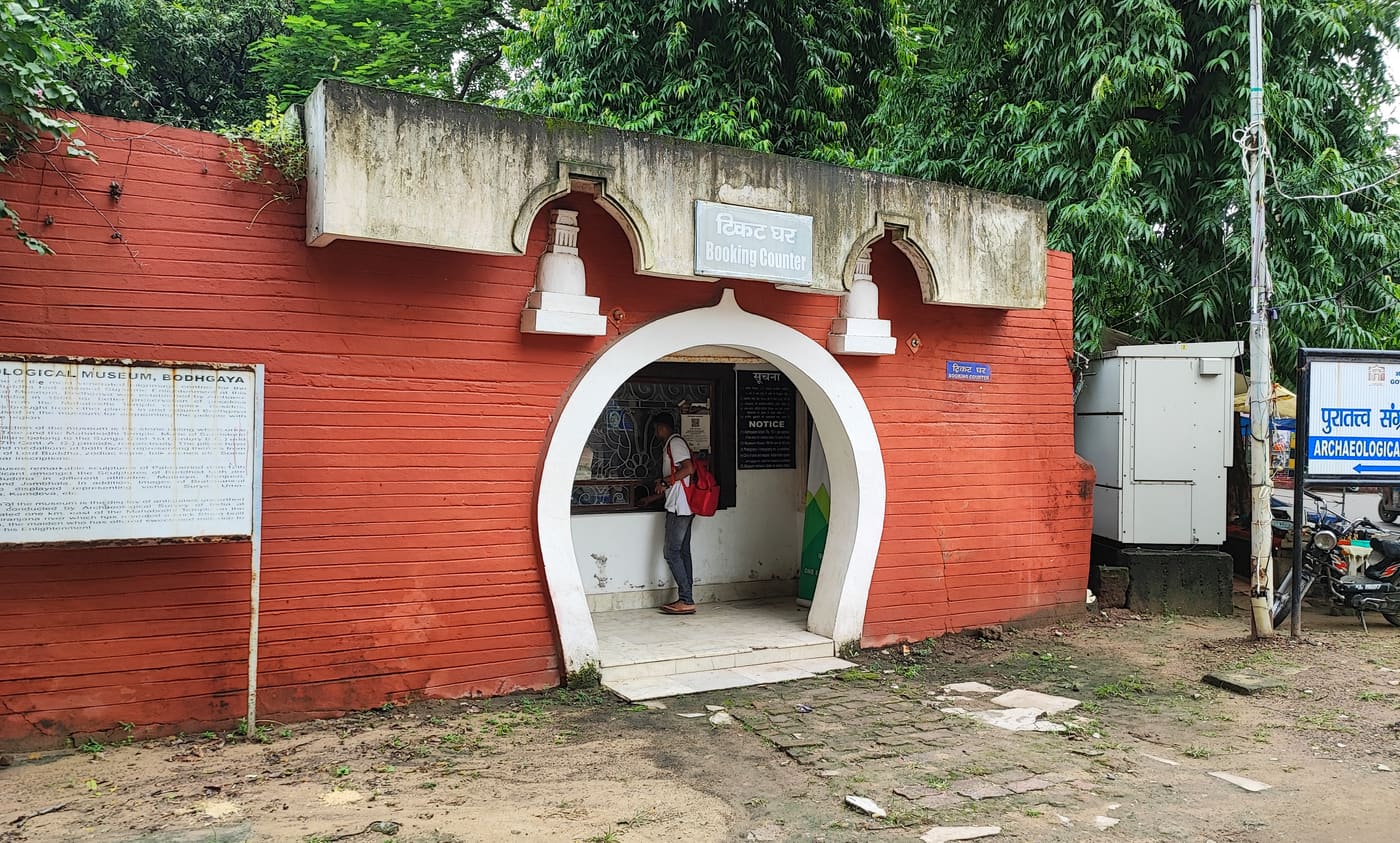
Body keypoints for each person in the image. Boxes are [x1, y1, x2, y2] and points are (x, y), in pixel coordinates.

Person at [650, 412, 696, 615]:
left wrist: (665, 481)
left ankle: (686, 599)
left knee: (671, 552)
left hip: (680, 507)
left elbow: (688, 469)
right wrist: (652, 497)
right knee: (683, 552)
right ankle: (687, 598)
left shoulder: (674, 443)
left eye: (656, 428)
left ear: (662, 427)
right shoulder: (672, 444)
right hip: (682, 505)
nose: (656, 432)